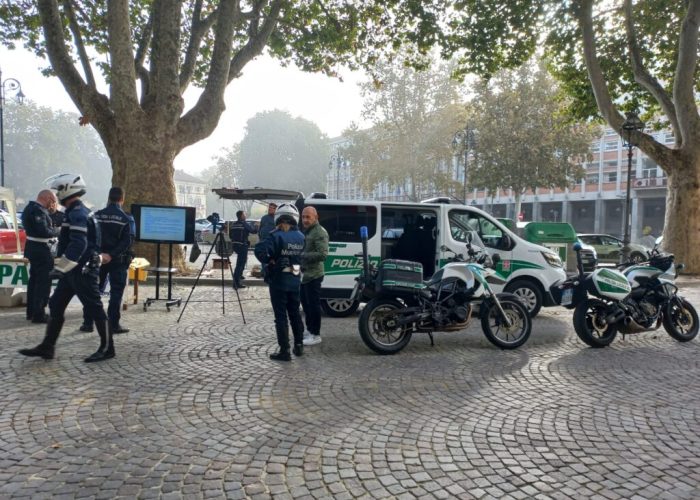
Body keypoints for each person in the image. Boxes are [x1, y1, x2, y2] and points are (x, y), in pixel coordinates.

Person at [18, 173, 114, 363]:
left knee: (94, 307)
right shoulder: (76, 211)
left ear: (67, 190)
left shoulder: (77, 213)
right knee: (56, 304)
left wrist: (61, 267)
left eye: (59, 190)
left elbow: (79, 244)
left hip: (82, 269)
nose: (57, 195)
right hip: (74, 269)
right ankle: (48, 346)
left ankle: (107, 347)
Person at [254, 203, 305, 361]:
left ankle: (285, 350)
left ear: (278, 217)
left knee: (281, 317)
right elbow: (304, 258)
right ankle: (299, 345)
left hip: (279, 280)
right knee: (295, 313)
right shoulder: (302, 237)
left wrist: (270, 260)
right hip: (295, 277)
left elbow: (260, 250)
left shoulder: (275, 235)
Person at [79, 187, 134, 334]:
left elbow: (90, 237)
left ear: (109, 198)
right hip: (118, 260)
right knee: (116, 293)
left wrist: (100, 253)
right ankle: (113, 324)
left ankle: (88, 323)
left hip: (98, 259)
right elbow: (127, 242)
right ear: (122, 199)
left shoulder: (97, 215)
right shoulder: (126, 218)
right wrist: (111, 254)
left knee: (93, 291)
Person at [21, 189, 60, 323]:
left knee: (34, 281)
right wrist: (59, 231)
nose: (53, 204)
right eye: (53, 201)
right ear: (47, 198)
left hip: (33, 248)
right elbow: (44, 231)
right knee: (43, 283)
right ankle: (39, 314)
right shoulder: (37, 210)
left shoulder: (29, 208)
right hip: (41, 250)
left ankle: (31, 311)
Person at [300, 206, 329, 346]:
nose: (305, 220)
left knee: (313, 306)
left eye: (308, 217)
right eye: (303, 217)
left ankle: (316, 334)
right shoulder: (308, 231)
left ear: (315, 217)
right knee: (306, 305)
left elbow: (323, 255)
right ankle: (310, 330)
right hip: (305, 275)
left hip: (314, 275)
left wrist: (303, 256)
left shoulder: (319, 232)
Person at [229, 210, 258, 289]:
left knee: (242, 261)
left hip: (235, 246)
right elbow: (253, 231)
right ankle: (236, 283)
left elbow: (230, 235)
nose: (245, 215)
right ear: (241, 216)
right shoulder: (244, 224)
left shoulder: (234, 224)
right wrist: (256, 226)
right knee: (240, 264)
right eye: (244, 214)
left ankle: (239, 275)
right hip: (242, 245)